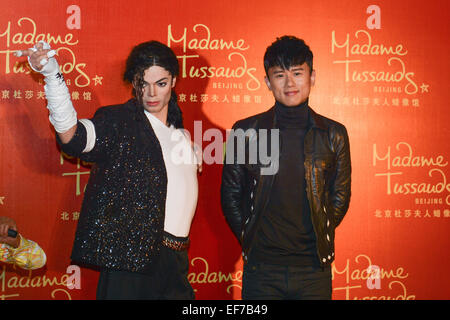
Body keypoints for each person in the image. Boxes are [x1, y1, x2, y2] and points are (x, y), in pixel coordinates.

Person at [17, 40, 200, 299]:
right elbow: (73, 137)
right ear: (132, 82)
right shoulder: (119, 121)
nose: (151, 94)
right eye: (142, 83)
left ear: (174, 82)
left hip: (176, 262)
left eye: (160, 83)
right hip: (130, 260)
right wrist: (52, 76)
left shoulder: (180, 134)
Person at [221, 36, 351, 300]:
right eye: (280, 75)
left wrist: (320, 229)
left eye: (298, 73)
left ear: (312, 77)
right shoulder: (245, 131)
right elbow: (230, 196)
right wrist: (251, 236)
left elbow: (340, 197)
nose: (290, 83)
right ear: (268, 82)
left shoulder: (334, 133)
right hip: (262, 270)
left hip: (314, 269)